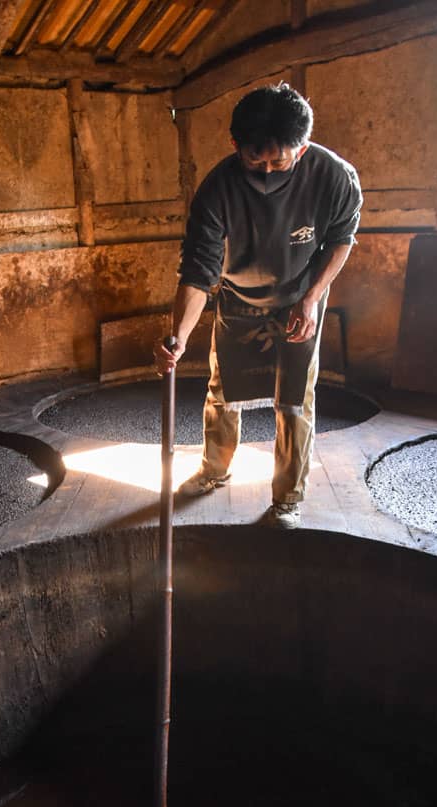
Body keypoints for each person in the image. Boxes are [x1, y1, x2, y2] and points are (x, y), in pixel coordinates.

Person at [154, 83, 362, 528]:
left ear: (301, 148)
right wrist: (179, 338)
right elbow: (197, 273)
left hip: (298, 301)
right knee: (223, 388)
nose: (266, 171)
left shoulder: (334, 177)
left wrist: (312, 298)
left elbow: (340, 240)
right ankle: (214, 470)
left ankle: (288, 497)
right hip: (238, 297)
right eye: (255, 159)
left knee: (293, 400)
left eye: (279, 160)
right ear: (235, 146)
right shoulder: (217, 191)